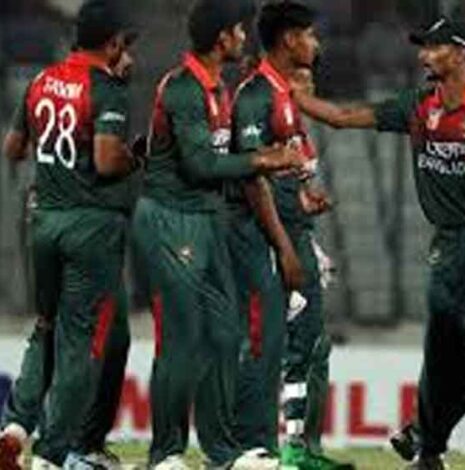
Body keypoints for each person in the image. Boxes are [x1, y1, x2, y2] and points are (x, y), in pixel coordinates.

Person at [292, 17, 465, 469]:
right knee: (444, 346)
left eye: (433, 47)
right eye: (422, 47)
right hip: (451, 243)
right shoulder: (417, 105)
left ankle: (425, 433)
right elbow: (344, 118)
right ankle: (428, 448)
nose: (422, 56)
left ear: (460, 52)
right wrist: (297, 98)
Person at [131, 0, 304, 467]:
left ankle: (222, 451)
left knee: (226, 335)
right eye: (239, 31)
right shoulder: (184, 88)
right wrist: (262, 158)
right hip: (171, 219)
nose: (245, 38)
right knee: (183, 339)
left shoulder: (215, 87)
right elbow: (200, 165)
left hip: (205, 220)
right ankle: (165, 453)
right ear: (222, 37)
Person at [0, 0, 140, 467]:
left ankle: (15, 428)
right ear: (113, 43)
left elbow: (13, 148)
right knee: (80, 342)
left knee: (45, 327)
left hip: (44, 221)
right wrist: (136, 157)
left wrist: (55, 169)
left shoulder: (41, 80)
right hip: (90, 227)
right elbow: (106, 160)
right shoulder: (106, 89)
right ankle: (51, 454)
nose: (128, 54)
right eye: (125, 44)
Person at [227, 3, 351, 469]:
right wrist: (284, 247)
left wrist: (302, 199)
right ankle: (249, 446)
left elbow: (279, 172)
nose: (316, 44)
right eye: (310, 35)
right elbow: (252, 177)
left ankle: (298, 447)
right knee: (266, 342)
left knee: (308, 341)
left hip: (292, 230)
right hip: (267, 237)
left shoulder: (281, 95)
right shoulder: (256, 94)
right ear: (289, 40)